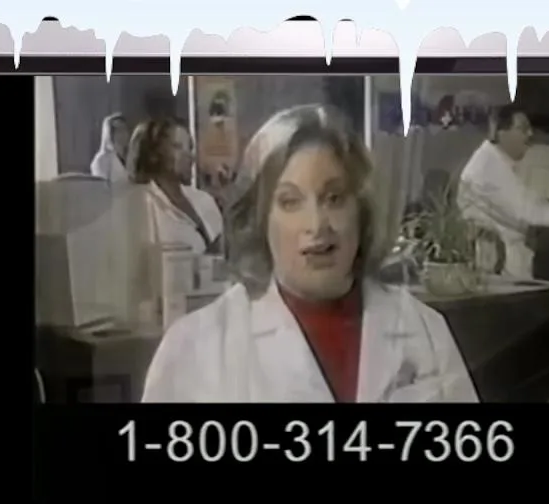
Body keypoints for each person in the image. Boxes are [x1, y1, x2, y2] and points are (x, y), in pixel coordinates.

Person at [141, 104, 478, 403]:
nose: (317, 225)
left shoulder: (424, 329)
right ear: (259, 220)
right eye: (290, 202)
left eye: (334, 198)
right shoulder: (194, 348)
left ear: (361, 210)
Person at [457, 103, 549, 279]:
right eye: (523, 128)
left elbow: (533, 203)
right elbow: (531, 213)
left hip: (507, 264)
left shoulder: (496, 161)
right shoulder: (487, 167)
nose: (530, 134)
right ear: (500, 132)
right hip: (500, 269)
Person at [125, 117, 224, 254]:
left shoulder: (204, 200)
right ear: (153, 154)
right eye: (177, 147)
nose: (189, 156)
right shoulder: (141, 206)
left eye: (190, 147)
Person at [89, 113, 131, 182]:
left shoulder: (131, 157)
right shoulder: (101, 159)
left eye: (125, 129)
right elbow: (101, 186)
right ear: (109, 134)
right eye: (119, 130)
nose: (123, 134)